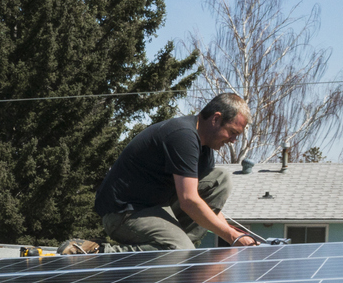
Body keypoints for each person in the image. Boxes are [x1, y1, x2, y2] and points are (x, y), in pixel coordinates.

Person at [86, 93, 265, 251]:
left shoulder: (205, 149)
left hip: (155, 207)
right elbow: (188, 200)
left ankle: (181, 251)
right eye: (232, 132)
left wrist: (238, 234)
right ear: (216, 119)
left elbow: (203, 204)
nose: (234, 140)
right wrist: (232, 238)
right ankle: (98, 252)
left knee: (220, 179)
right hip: (123, 213)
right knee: (178, 249)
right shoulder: (183, 136)